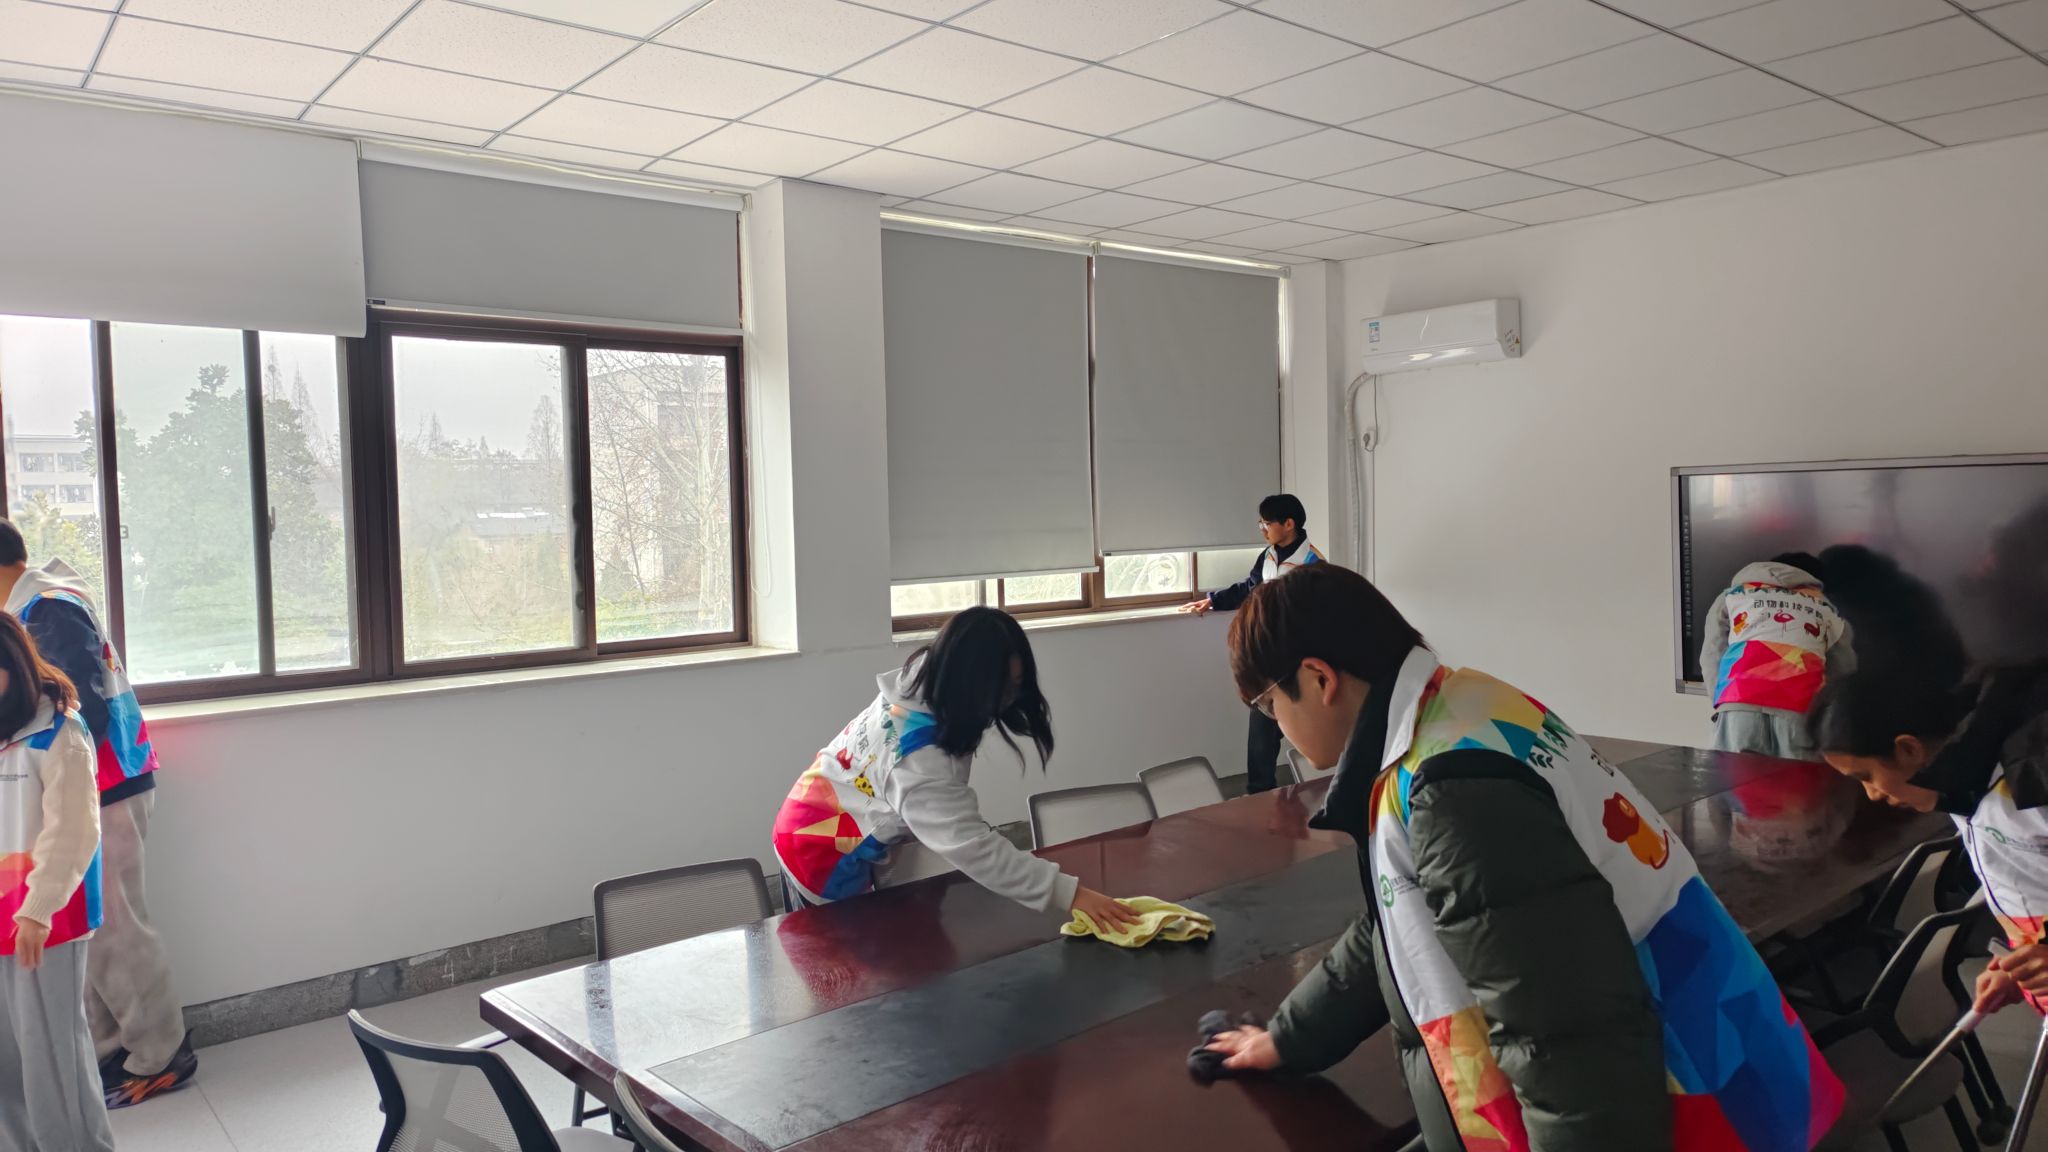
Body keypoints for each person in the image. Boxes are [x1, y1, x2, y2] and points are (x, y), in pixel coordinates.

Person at [1203, 564, 1842, 1151]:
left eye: (1269, 705)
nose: (1275, 725)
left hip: (1675, 1092)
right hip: (1711, 1046)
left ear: (1319, 679)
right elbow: (1401, 919)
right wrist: (1289, 1038)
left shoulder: (1452, 788)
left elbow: (1565, 1038)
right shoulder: (1463, 708)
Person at [771, 607, 1138, 932]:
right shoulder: (919, 760)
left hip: (822, 807)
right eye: (1001, 689)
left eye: (1015, 686)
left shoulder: (923, 680)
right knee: (851, 965)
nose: (1008, 700)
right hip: (820, 848)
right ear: (969, 682)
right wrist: (1074, 895)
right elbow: (974, 848)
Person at [0, 524, 193, 1109]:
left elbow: (79, 710)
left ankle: (162, 1054)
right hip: (87, 786)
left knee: (116, 929)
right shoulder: (36, 604)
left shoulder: (47, 609)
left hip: (103, 785)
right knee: (85, 926)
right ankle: (113, 1049)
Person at [1809, 662, 2048, 1015]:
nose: (1872, 794)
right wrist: (2024, 956)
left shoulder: (2029, 785)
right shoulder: (1962, 788)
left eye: (1867, 776)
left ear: (1908, 749)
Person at [0, 612, 116, 1152]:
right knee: (6, 1064)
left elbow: (74, 829)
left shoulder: (60, 733)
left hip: (45, 921)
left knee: (52, 1061)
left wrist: (37, 909)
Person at [1179, 494, 1324, 793]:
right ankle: (1259, 796)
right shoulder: (1268, 555)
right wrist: (1212, 601)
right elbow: (1250, 588)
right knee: (1261, 735)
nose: (1262, 529)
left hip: (1299, 664)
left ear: (1288, 524)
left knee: (1312, 734)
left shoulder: (1313, 564)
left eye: (1267, 523)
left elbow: (1318, 618)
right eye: (1261, 523)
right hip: (1268, 660)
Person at [1700, 552, 1855, 760]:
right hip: (1800, 706)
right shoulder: (1826, 608)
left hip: (1739, 701)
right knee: (1799, 779)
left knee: (1733, 776)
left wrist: (1721, 704)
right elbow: (1843, 672)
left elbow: (1712, 655)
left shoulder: (1732, 596)